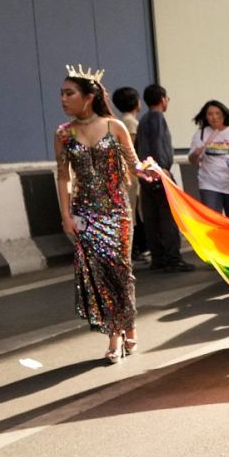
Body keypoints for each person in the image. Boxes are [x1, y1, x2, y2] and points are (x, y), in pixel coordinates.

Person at [55, 69, 138, 363]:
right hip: (84, 213)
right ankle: (116, 332)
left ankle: (125, 327)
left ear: (89, 97)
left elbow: (133, 164)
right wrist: (66, 214)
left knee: (120, 271)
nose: (64, 99)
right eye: (62, 93)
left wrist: (150, 171)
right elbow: (63, 176)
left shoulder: (115, 127)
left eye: (70, 93)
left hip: (117, 212)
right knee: (98, 275)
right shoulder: (64, 133)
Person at [134, 84, 188, 272]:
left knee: (152, 218)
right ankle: (173, 258)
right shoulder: (158, 118)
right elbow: (158, 144)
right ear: (163, 99)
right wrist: (161, 169)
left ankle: (158, 258)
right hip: (159, 172)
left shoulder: (143, 120)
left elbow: (137, 147)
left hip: (145, 174)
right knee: (167, 217)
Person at [188, 100, 229, 219]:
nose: (214, 117)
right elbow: (192, 160)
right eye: (210, 114)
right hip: (209, 184)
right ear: (206, 117)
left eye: (217, 113)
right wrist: (195, 154)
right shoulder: (201, 134)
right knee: (213, 220)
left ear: (223, 115)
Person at [110, 86, 145, 263]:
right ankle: (133, 249)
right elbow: (128, 148)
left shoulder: (122, 120)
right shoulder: (130, 122)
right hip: (131, 173)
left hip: (129, 173)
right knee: (132, 210)